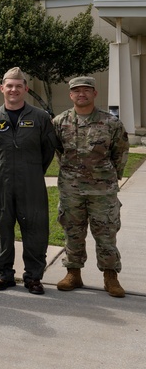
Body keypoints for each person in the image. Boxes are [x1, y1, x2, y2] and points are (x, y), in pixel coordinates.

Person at [0, 68, 58, 295]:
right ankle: (4, 274)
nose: (14, 90)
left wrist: (31, 170)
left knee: (35, 229)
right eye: (9, 86)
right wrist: (3, 168)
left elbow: (48, 151)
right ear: (2, 88)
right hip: (1, 182)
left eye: (18, 86)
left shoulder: (41, 118)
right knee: (3, 228)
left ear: (26, 88)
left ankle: (33, 277)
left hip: (32, 182)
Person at [53, 76, 130, 297]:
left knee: (106, 232)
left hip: (102, 190)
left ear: (95, 93)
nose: (81, 94)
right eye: (76, 91)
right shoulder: (60, 122)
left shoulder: (110, 122)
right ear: (71, 95)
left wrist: (109, 177)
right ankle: (73, 273)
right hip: (71, 188)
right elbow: (58, 150)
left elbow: (121, 152)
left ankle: (110, 276)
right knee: (72, 231)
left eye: (86, 90)